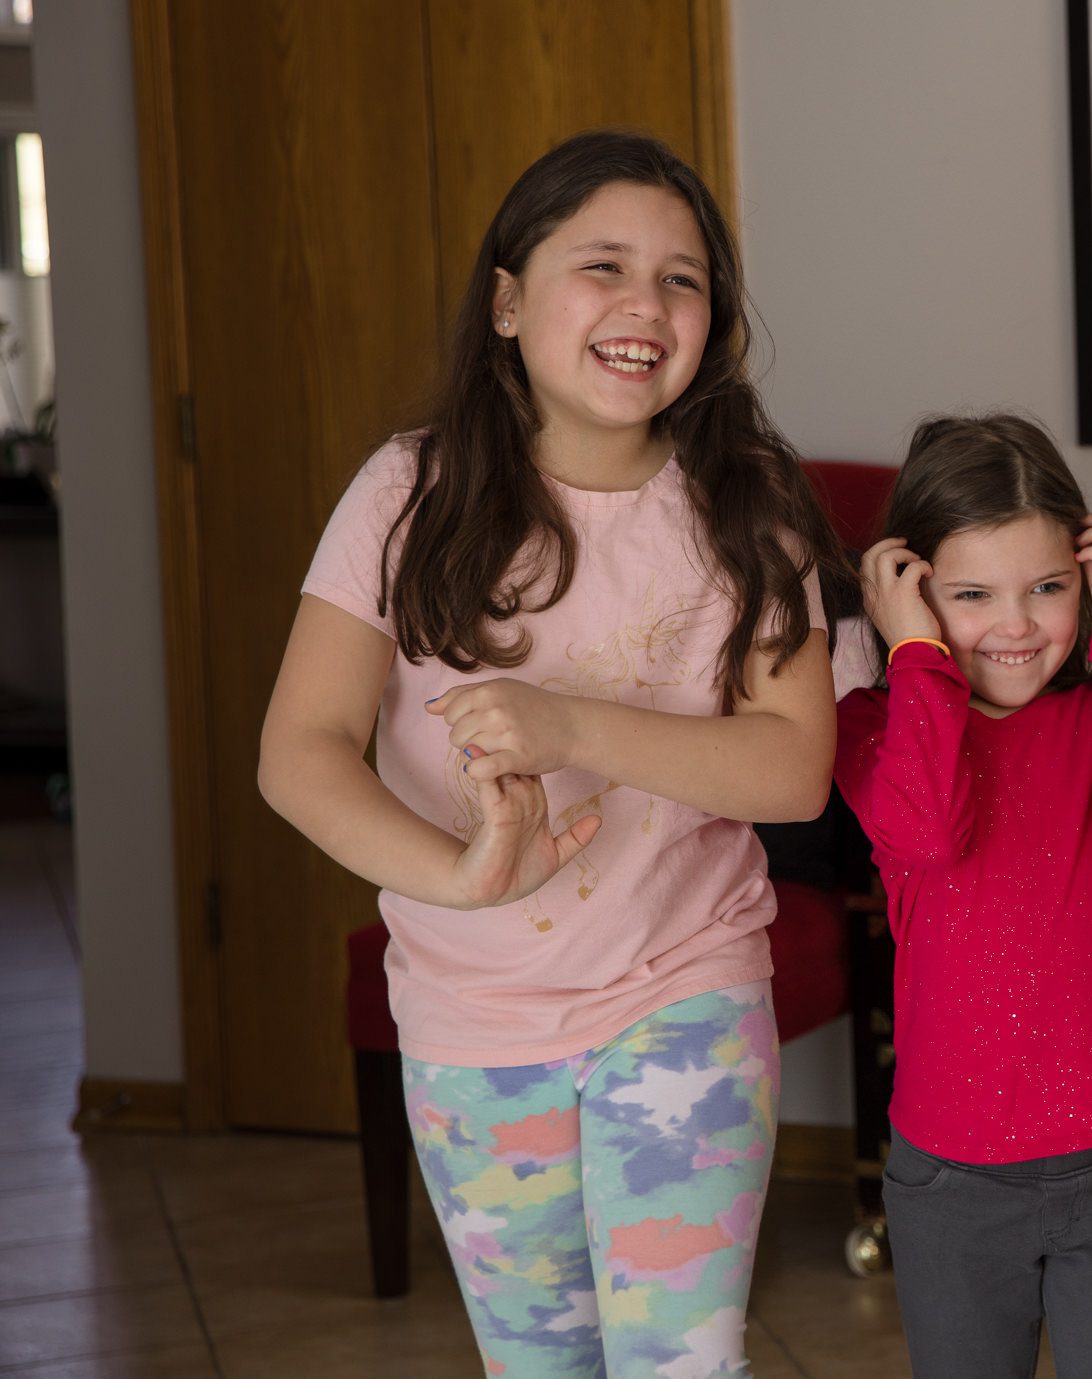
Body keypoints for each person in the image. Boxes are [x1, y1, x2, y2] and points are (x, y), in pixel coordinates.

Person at [258, 128, 849, 1378]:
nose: (647, 303)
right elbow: (300, 751)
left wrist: (570, 724)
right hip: (470, 1012)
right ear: (510, 302)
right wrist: (458, 873)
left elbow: (792, 768)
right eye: (605, 265)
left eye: (683, 278)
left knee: (680, 1365)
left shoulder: (752, 508)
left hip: (681, 985)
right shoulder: (403, 496)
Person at [834, 414, 1092, 1379]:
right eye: (970, 595)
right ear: (910, 595)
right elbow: (922, 828)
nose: (1016, 624)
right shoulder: (875, 722)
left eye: (1048, 588)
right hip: (952, 1173)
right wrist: (913, 653)